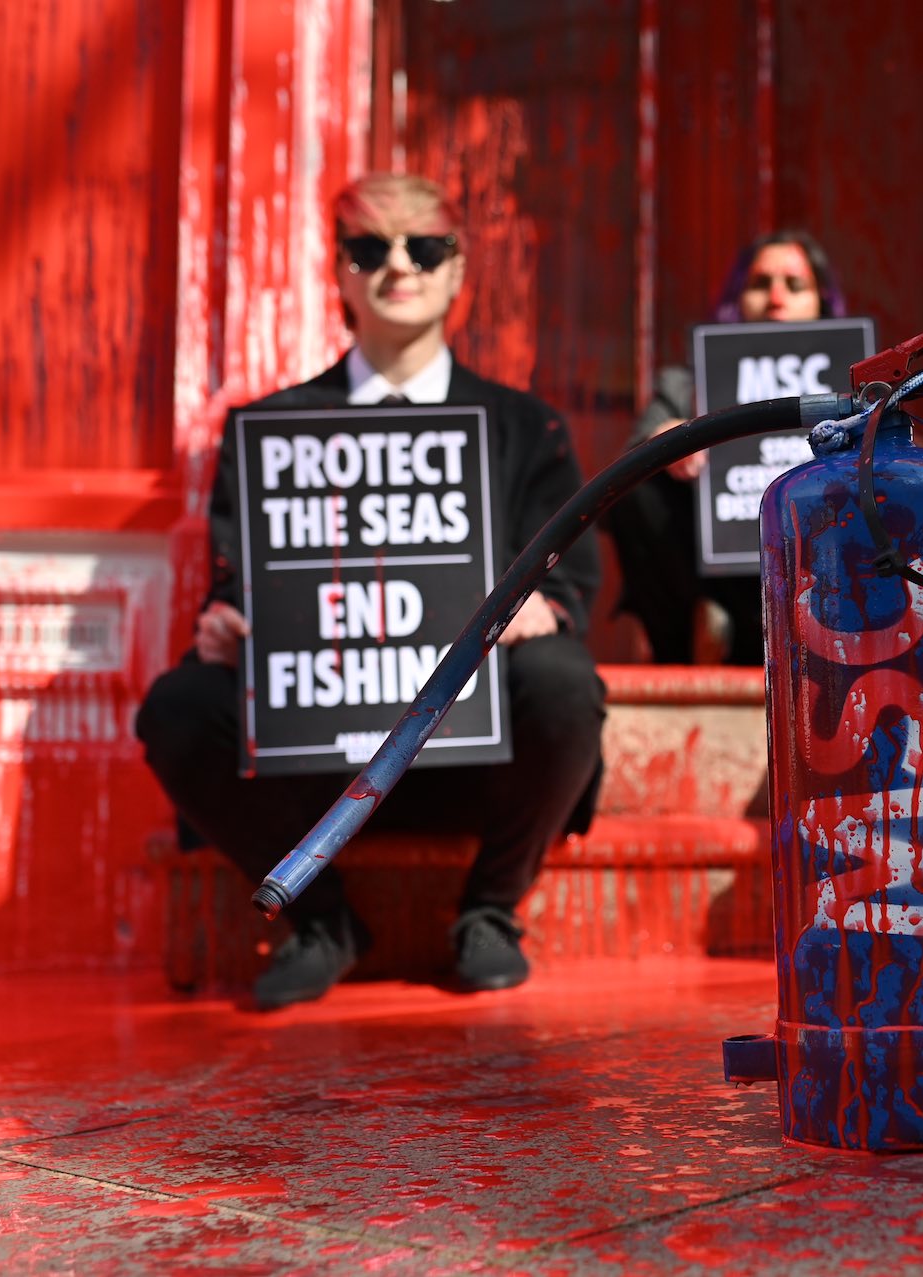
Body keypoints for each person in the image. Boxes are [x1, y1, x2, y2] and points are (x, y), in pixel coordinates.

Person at [135, 173, 606, 1009]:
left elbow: (571, 575)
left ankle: (490, 910)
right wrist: (227, 619)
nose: (399, 266)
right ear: (340, 273)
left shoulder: (524, 425)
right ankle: (321, 919)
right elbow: (243, 578)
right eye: (370, 247)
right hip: (311, 752)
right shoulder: (271, 428)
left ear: (458, 272)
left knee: (566, 683)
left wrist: (548, 605)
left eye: (425, 247)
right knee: (178, 705)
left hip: (471, 747)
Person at [604, 231, 848, 664]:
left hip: (828, 575)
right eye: (760, 284)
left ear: (822, 302)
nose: (776, 298)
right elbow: (622, 477)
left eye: (794, 285)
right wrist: (670, 436)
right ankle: (691, 644)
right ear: (738, 299)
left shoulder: (856, 382)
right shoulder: (687, 382)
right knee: (641, 483)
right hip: (718, 584)